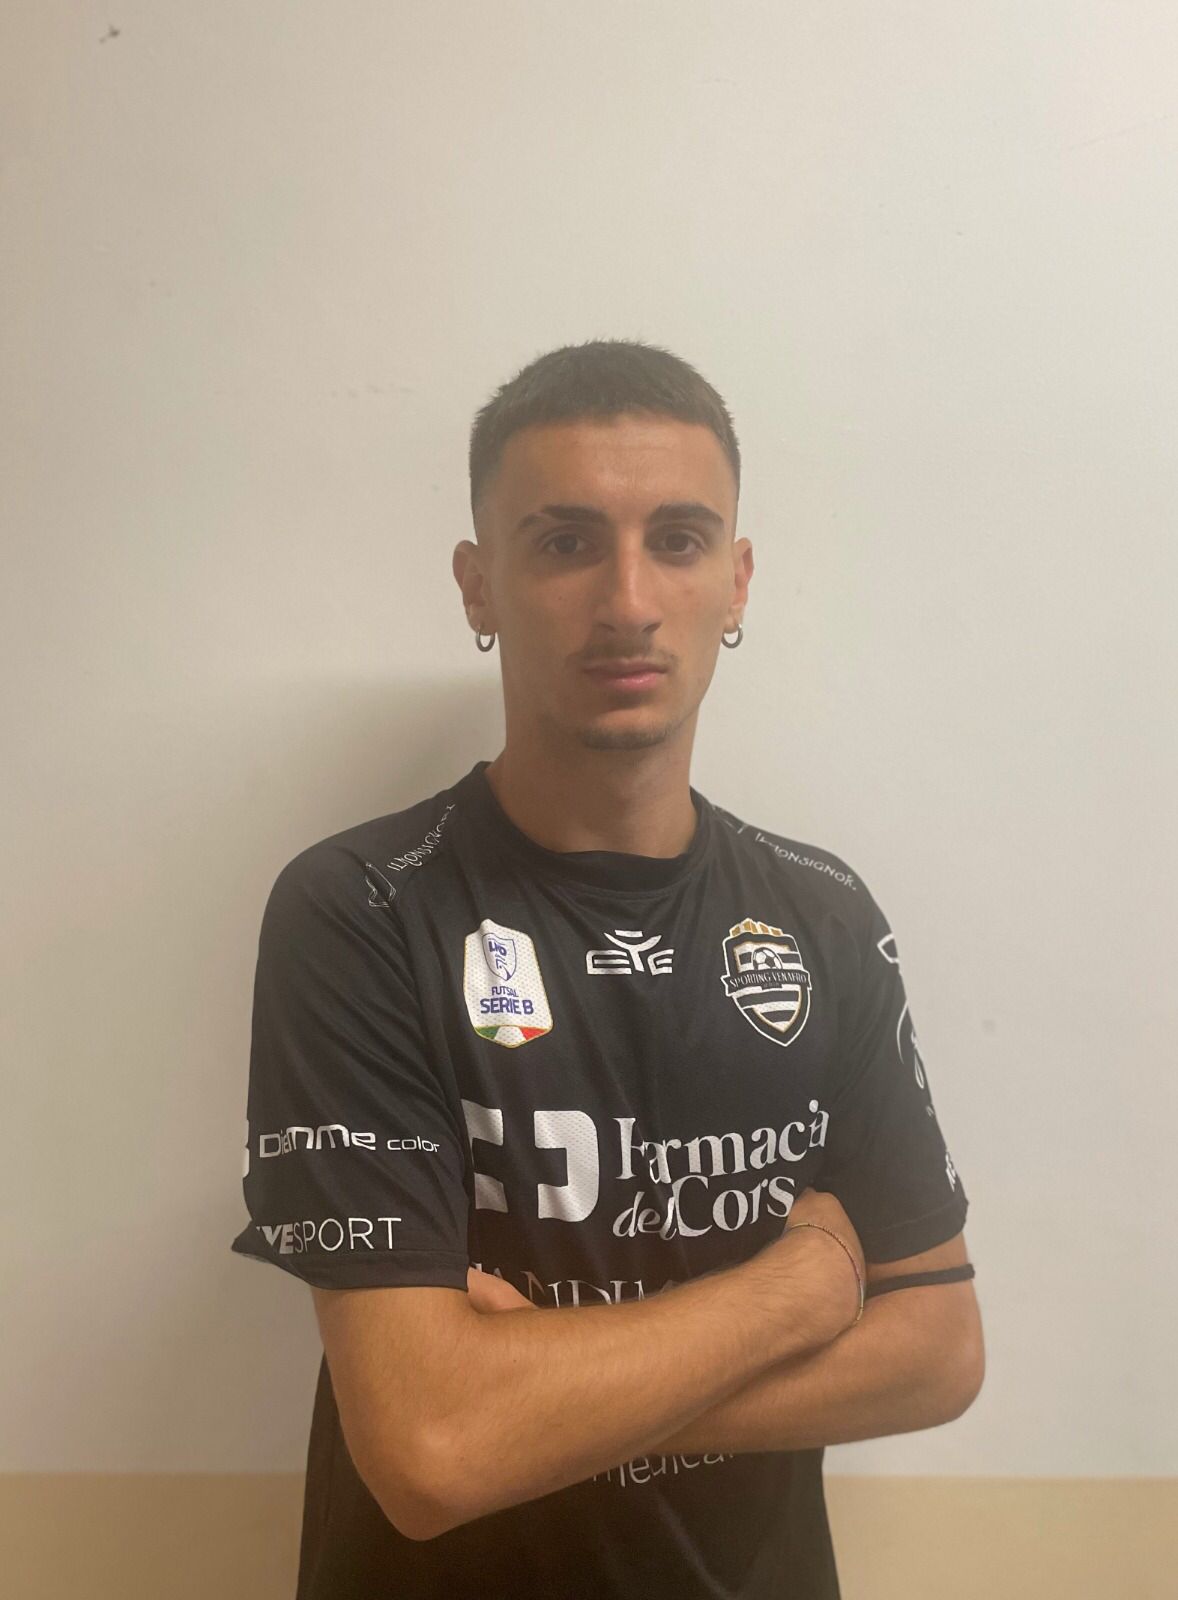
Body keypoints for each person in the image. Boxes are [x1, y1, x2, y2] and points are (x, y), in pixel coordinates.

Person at [230, 338, 983, 1598]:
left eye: (677, 540)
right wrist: (798, 1290)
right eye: (566, 542)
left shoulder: (823, 913)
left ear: (735, 581)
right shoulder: (361, 908)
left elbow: (939, 1349)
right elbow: (429, 1448)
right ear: (478, 585)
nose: (627, 598)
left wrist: (536, 1401)